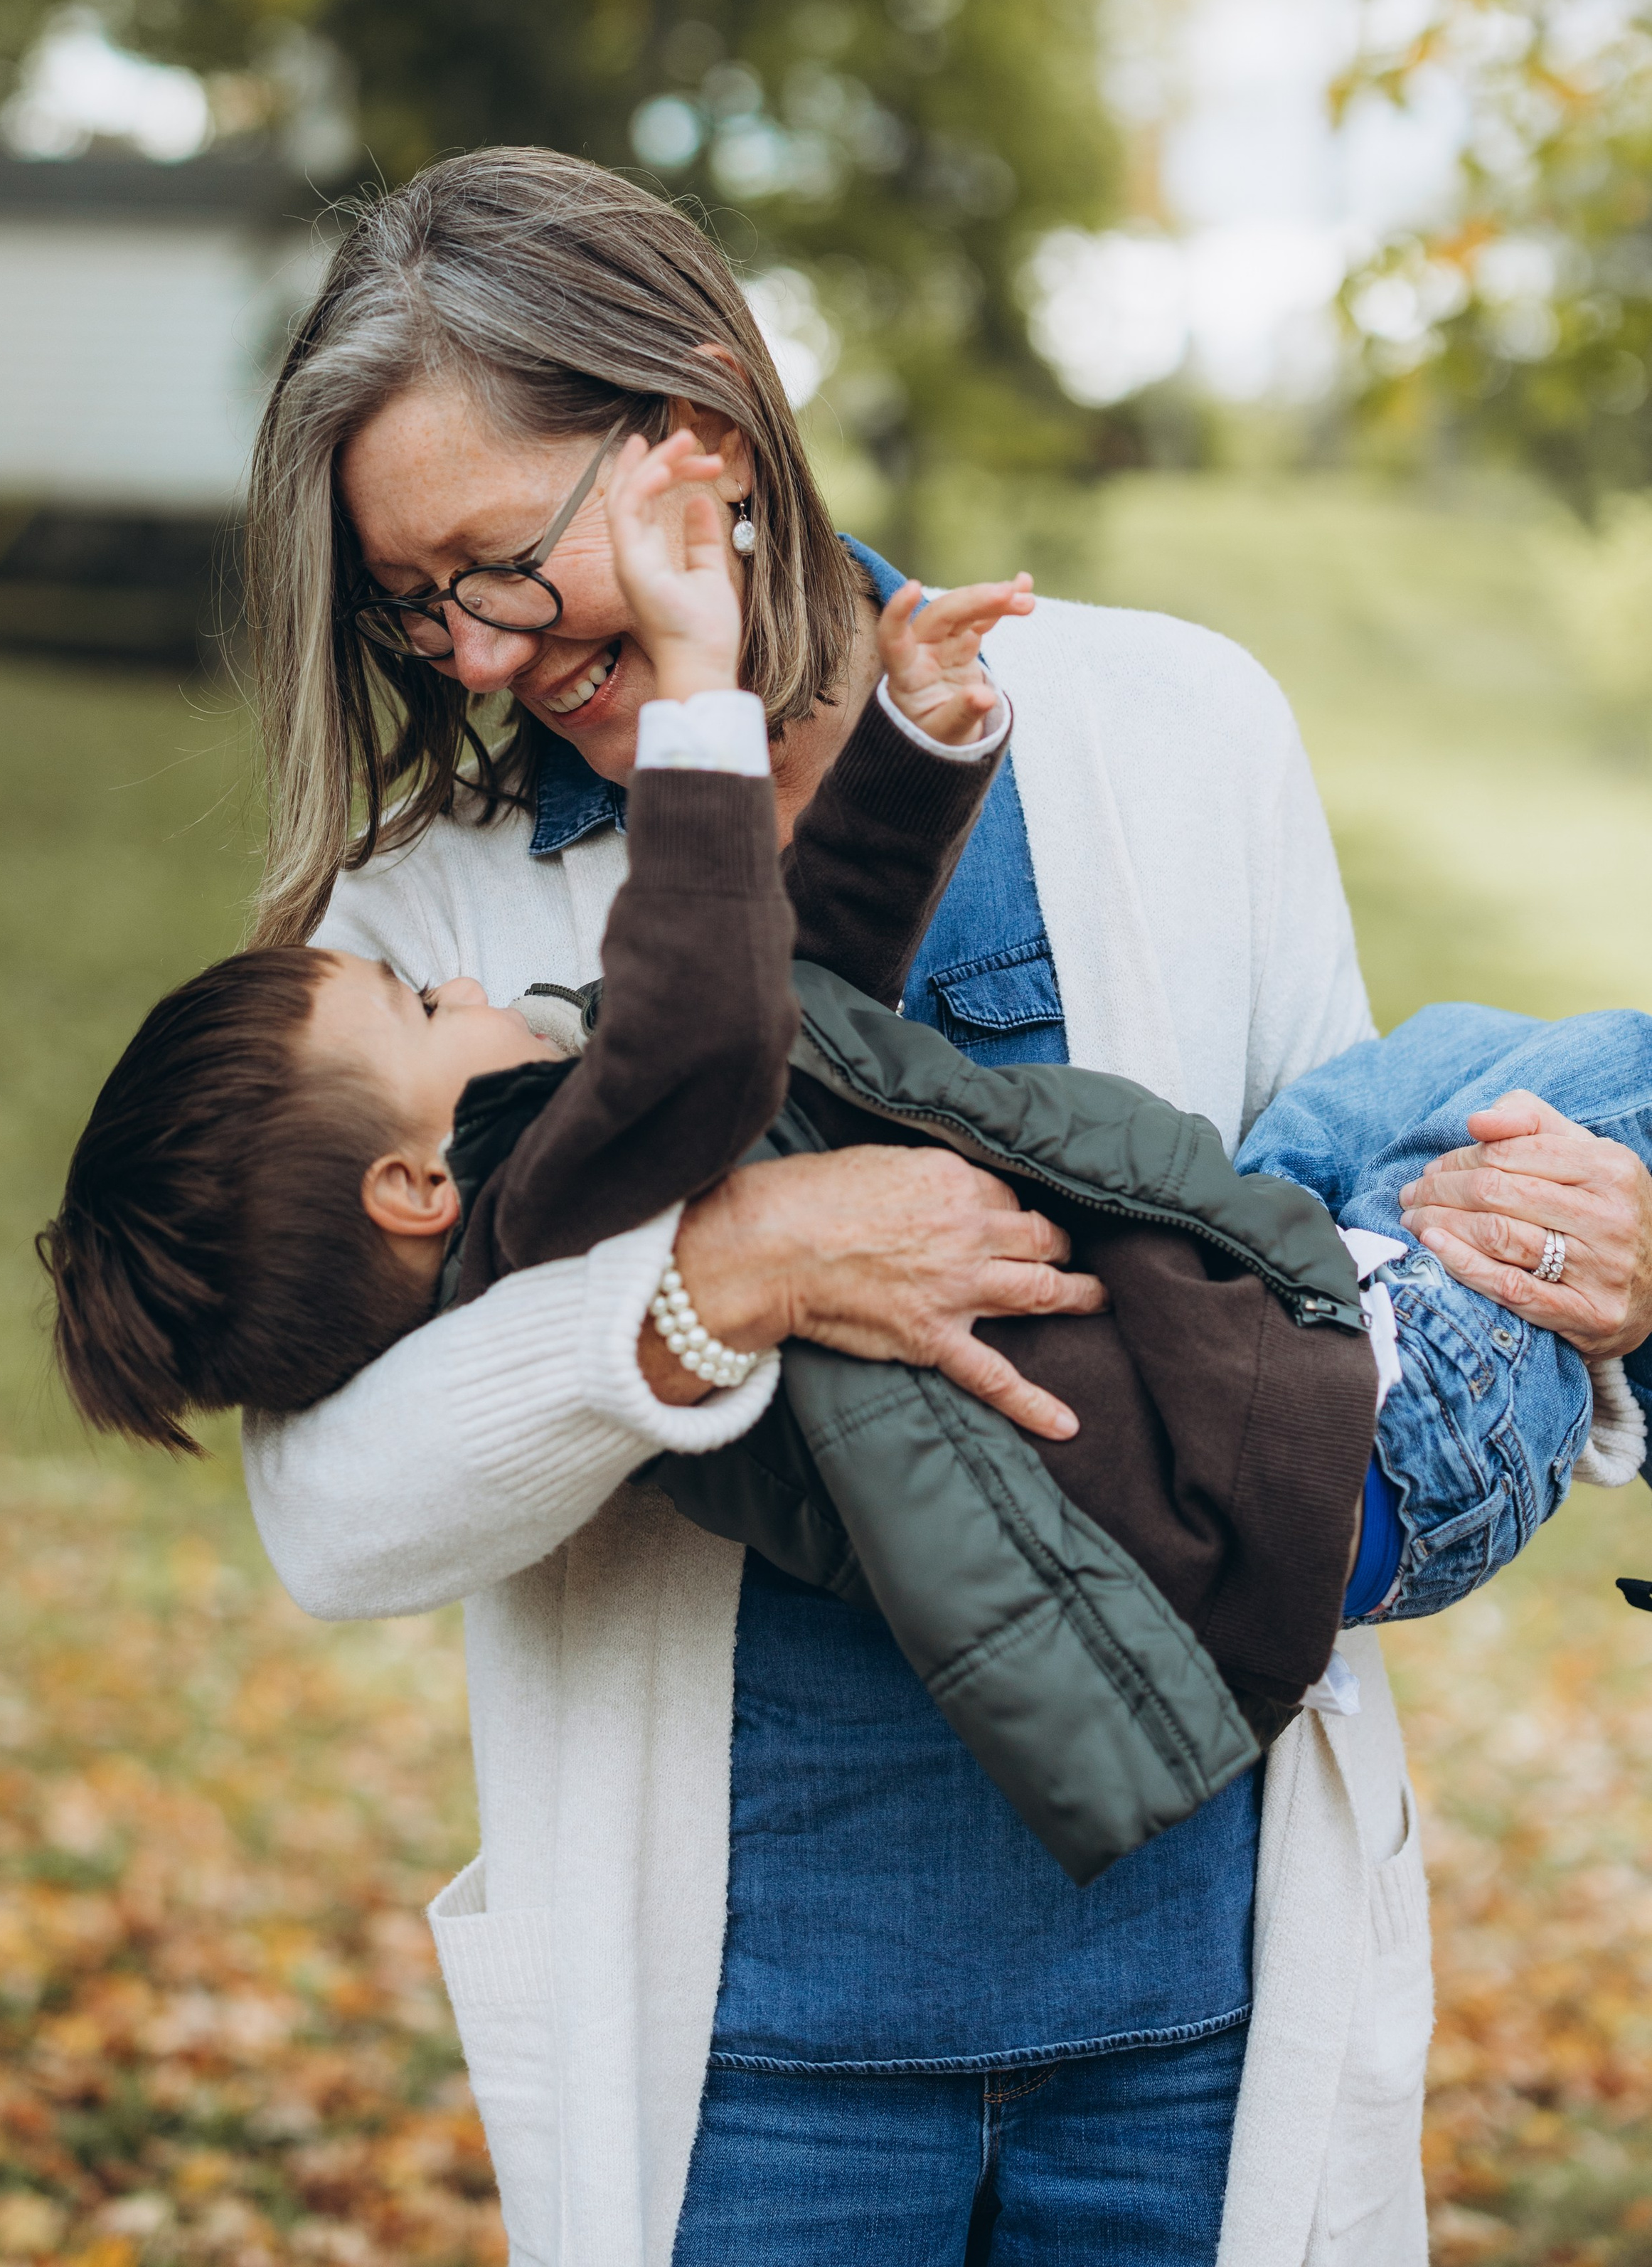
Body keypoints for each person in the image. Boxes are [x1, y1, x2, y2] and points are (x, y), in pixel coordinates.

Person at [233, 147, 1652, 2267]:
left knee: (1519, 1093)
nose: (476, 656)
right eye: (414, 606)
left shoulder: (1170, 721)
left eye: (499, 568)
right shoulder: (419, 951)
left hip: (1202, 2005)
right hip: (754, 2062)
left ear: (699, 438)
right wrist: (714, 1287)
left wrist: (1588, 1249)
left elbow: (1314, 1222)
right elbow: (335, 1513)